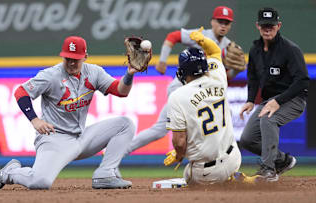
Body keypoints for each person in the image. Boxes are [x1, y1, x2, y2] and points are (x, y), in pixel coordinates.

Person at [0, 36, 141, 190]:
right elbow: (21, 92)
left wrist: (129, 74)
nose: (71, 63)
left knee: (125, 124)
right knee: (40, 182)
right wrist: (35, 120)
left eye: (76, 59)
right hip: (55, 139)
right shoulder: (51, 75)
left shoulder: (94, 72)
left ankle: (105, 174)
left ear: (85, 57)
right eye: (68, 58)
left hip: (81, 138)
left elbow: (120, 91)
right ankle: (10, 173)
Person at [126, 6, 246, 155]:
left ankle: (216, 164)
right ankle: (123, 150)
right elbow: (173, 36)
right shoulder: (200, 35)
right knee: (161, 130)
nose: (223, 25)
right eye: (220, 21)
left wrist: (237, 70)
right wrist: (162, 61)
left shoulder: (228, 46)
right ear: (212, 21)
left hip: (201, 93)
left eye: (226, 23)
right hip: (180, 89)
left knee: (207, 125)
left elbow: (223, 77)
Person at [164, 28, 243, 185]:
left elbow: (179, 143)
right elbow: (214, 51)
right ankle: (234, 178)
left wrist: (179, 155)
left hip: (208, 172)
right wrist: (202, 39)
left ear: (183, 71)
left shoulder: (177, 96)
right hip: (234, 158)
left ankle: (225, 183)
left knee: (188, 175)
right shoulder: (219, 76)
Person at [239, 8, 309, 182]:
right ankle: (283, 160)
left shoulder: (290, 49)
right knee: (247, 139)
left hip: (293, 99)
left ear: (279, 25)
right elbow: (253, 76)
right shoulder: (255, 49)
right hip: (269, 100)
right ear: (257, 26)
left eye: (271, 25)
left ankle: (269, 170)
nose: (267, 29)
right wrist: (250, 100)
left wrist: (278, 101)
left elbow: (302, 81)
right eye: (264, 26)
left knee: (268, 119)